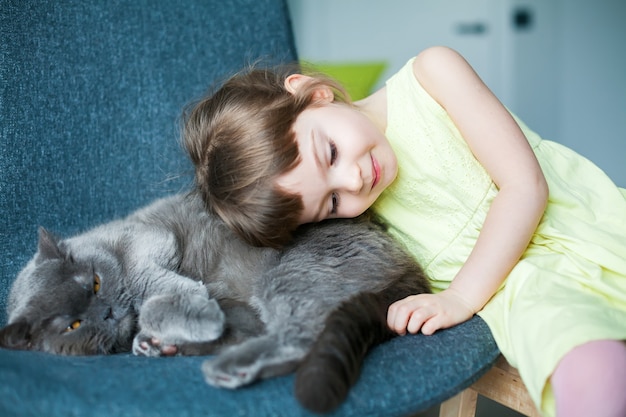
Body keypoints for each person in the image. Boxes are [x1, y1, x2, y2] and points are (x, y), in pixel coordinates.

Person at [183, 46, 626, 417]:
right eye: (332, 203)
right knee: (582, 360)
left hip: (588, 221)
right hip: (521, 289)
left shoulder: (434, 74)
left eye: (331, 153)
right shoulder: (367, 219)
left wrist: (459, 298)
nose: (353, 182)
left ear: (315, 94)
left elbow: (524, 186)